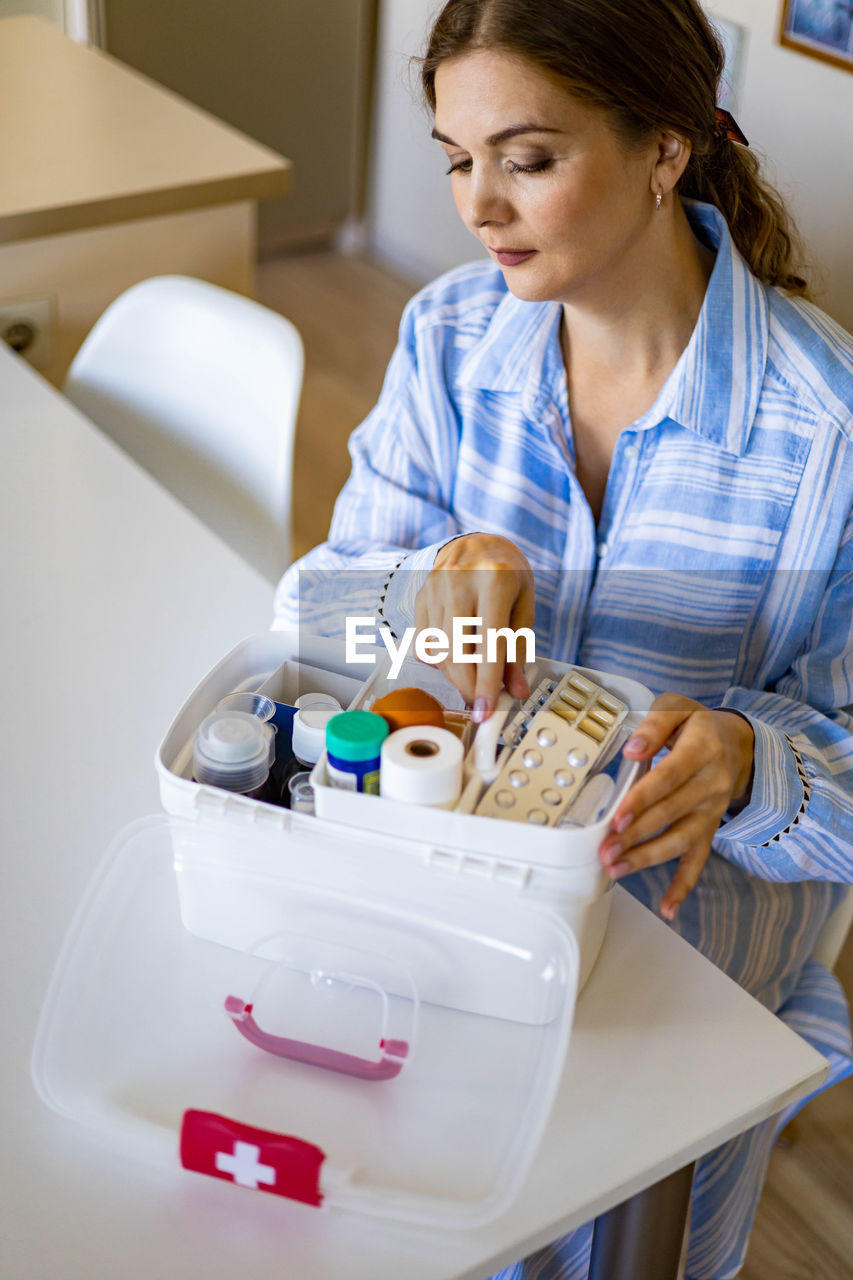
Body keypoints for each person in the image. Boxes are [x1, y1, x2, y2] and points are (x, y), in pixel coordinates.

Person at [273, 1, 853, 1274]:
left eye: (526, 159)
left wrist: (752, 763)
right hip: (446, 934)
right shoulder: (448, 341)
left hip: (665, 991)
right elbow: (307, 610)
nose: (479, 207)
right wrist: (429, 577)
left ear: (667, 148)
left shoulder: (825, 434)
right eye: (456, 158)